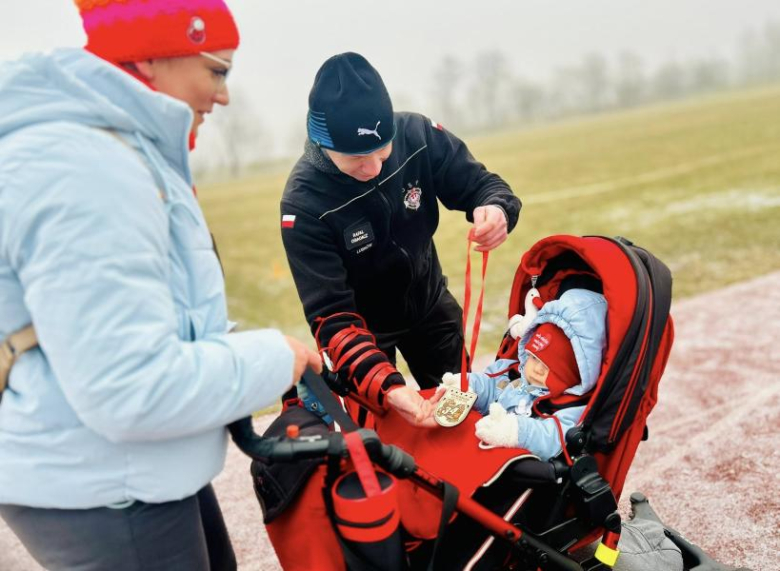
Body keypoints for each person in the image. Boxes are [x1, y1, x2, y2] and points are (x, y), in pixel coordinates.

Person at [0, 1, 321, 570]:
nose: (224, 95)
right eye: (216, 70)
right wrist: (276, 358)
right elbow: (128, 387)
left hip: (126, 464)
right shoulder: (87, 169)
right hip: (106, 484)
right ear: (148, 56)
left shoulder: (106, 146)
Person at [280, 52, 522, 426]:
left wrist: (495, 208)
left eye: (382, 150)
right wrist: (388, 387)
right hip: (364, 334)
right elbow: (332, 318)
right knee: (384, 437)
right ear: (322, 143)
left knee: (461, 416)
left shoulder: (417, 135)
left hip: (430, 305)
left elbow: (481, 184)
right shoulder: (303, 205)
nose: (374, 167)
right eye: (357, 158)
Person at [439, 288, 607, 460]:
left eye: (548, 366)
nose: (537, 369)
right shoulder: (512, 373)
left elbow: (552, 437)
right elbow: (489, 386)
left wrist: (515, 431)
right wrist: (468, 386)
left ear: (572, 373)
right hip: (481, 449)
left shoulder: (570, 407)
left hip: (521, 463)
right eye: (534, 358)